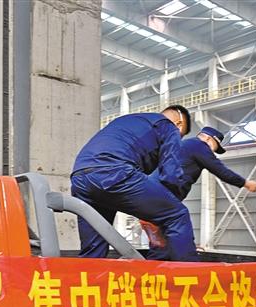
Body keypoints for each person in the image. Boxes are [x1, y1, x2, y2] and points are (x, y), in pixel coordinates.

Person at [71, 105, 198, 261]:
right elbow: (170, 174)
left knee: (94, 249)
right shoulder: (168, 126)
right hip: (114, 173)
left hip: (80, 179)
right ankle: (191, 272)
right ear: (179, 124)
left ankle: (89, 275)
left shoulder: (129, 121)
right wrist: (169, 202)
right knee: (178, 215)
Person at [142, 126, 256, 259]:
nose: (212, 153)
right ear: (209, 139)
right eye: (214, 148)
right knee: (180, 220)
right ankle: (189, 265)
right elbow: (221, 170)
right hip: (161, 196)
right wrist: (246, 183)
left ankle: (154, 267)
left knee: (161, 243)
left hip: (149, 195)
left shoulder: (180, 145)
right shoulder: (199, 146)